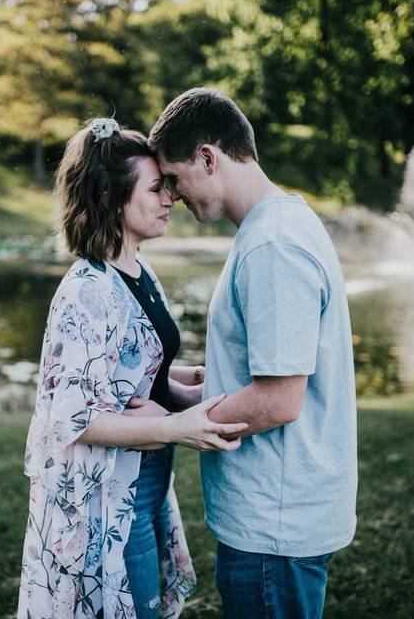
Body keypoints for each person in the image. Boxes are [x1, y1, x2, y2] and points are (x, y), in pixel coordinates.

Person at [17, 117, 248, 619]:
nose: (171, 199)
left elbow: (137, 371)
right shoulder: (86, 291)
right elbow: (71, 417)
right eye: (156, 188)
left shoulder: (139, 274)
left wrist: (191, 378)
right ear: (110, 199)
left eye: (169, 187)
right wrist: (176, 427)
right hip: (104, 502)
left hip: (141, 490)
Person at [148, 88, 358, 619]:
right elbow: (252, 374)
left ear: (208, 158)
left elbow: (279, 399)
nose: (170, 195)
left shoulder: (273, 246)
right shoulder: (271, 228)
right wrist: (170, 393)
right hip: (273, 521)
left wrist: (179, 425)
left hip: (275, 529)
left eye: (173, 177)